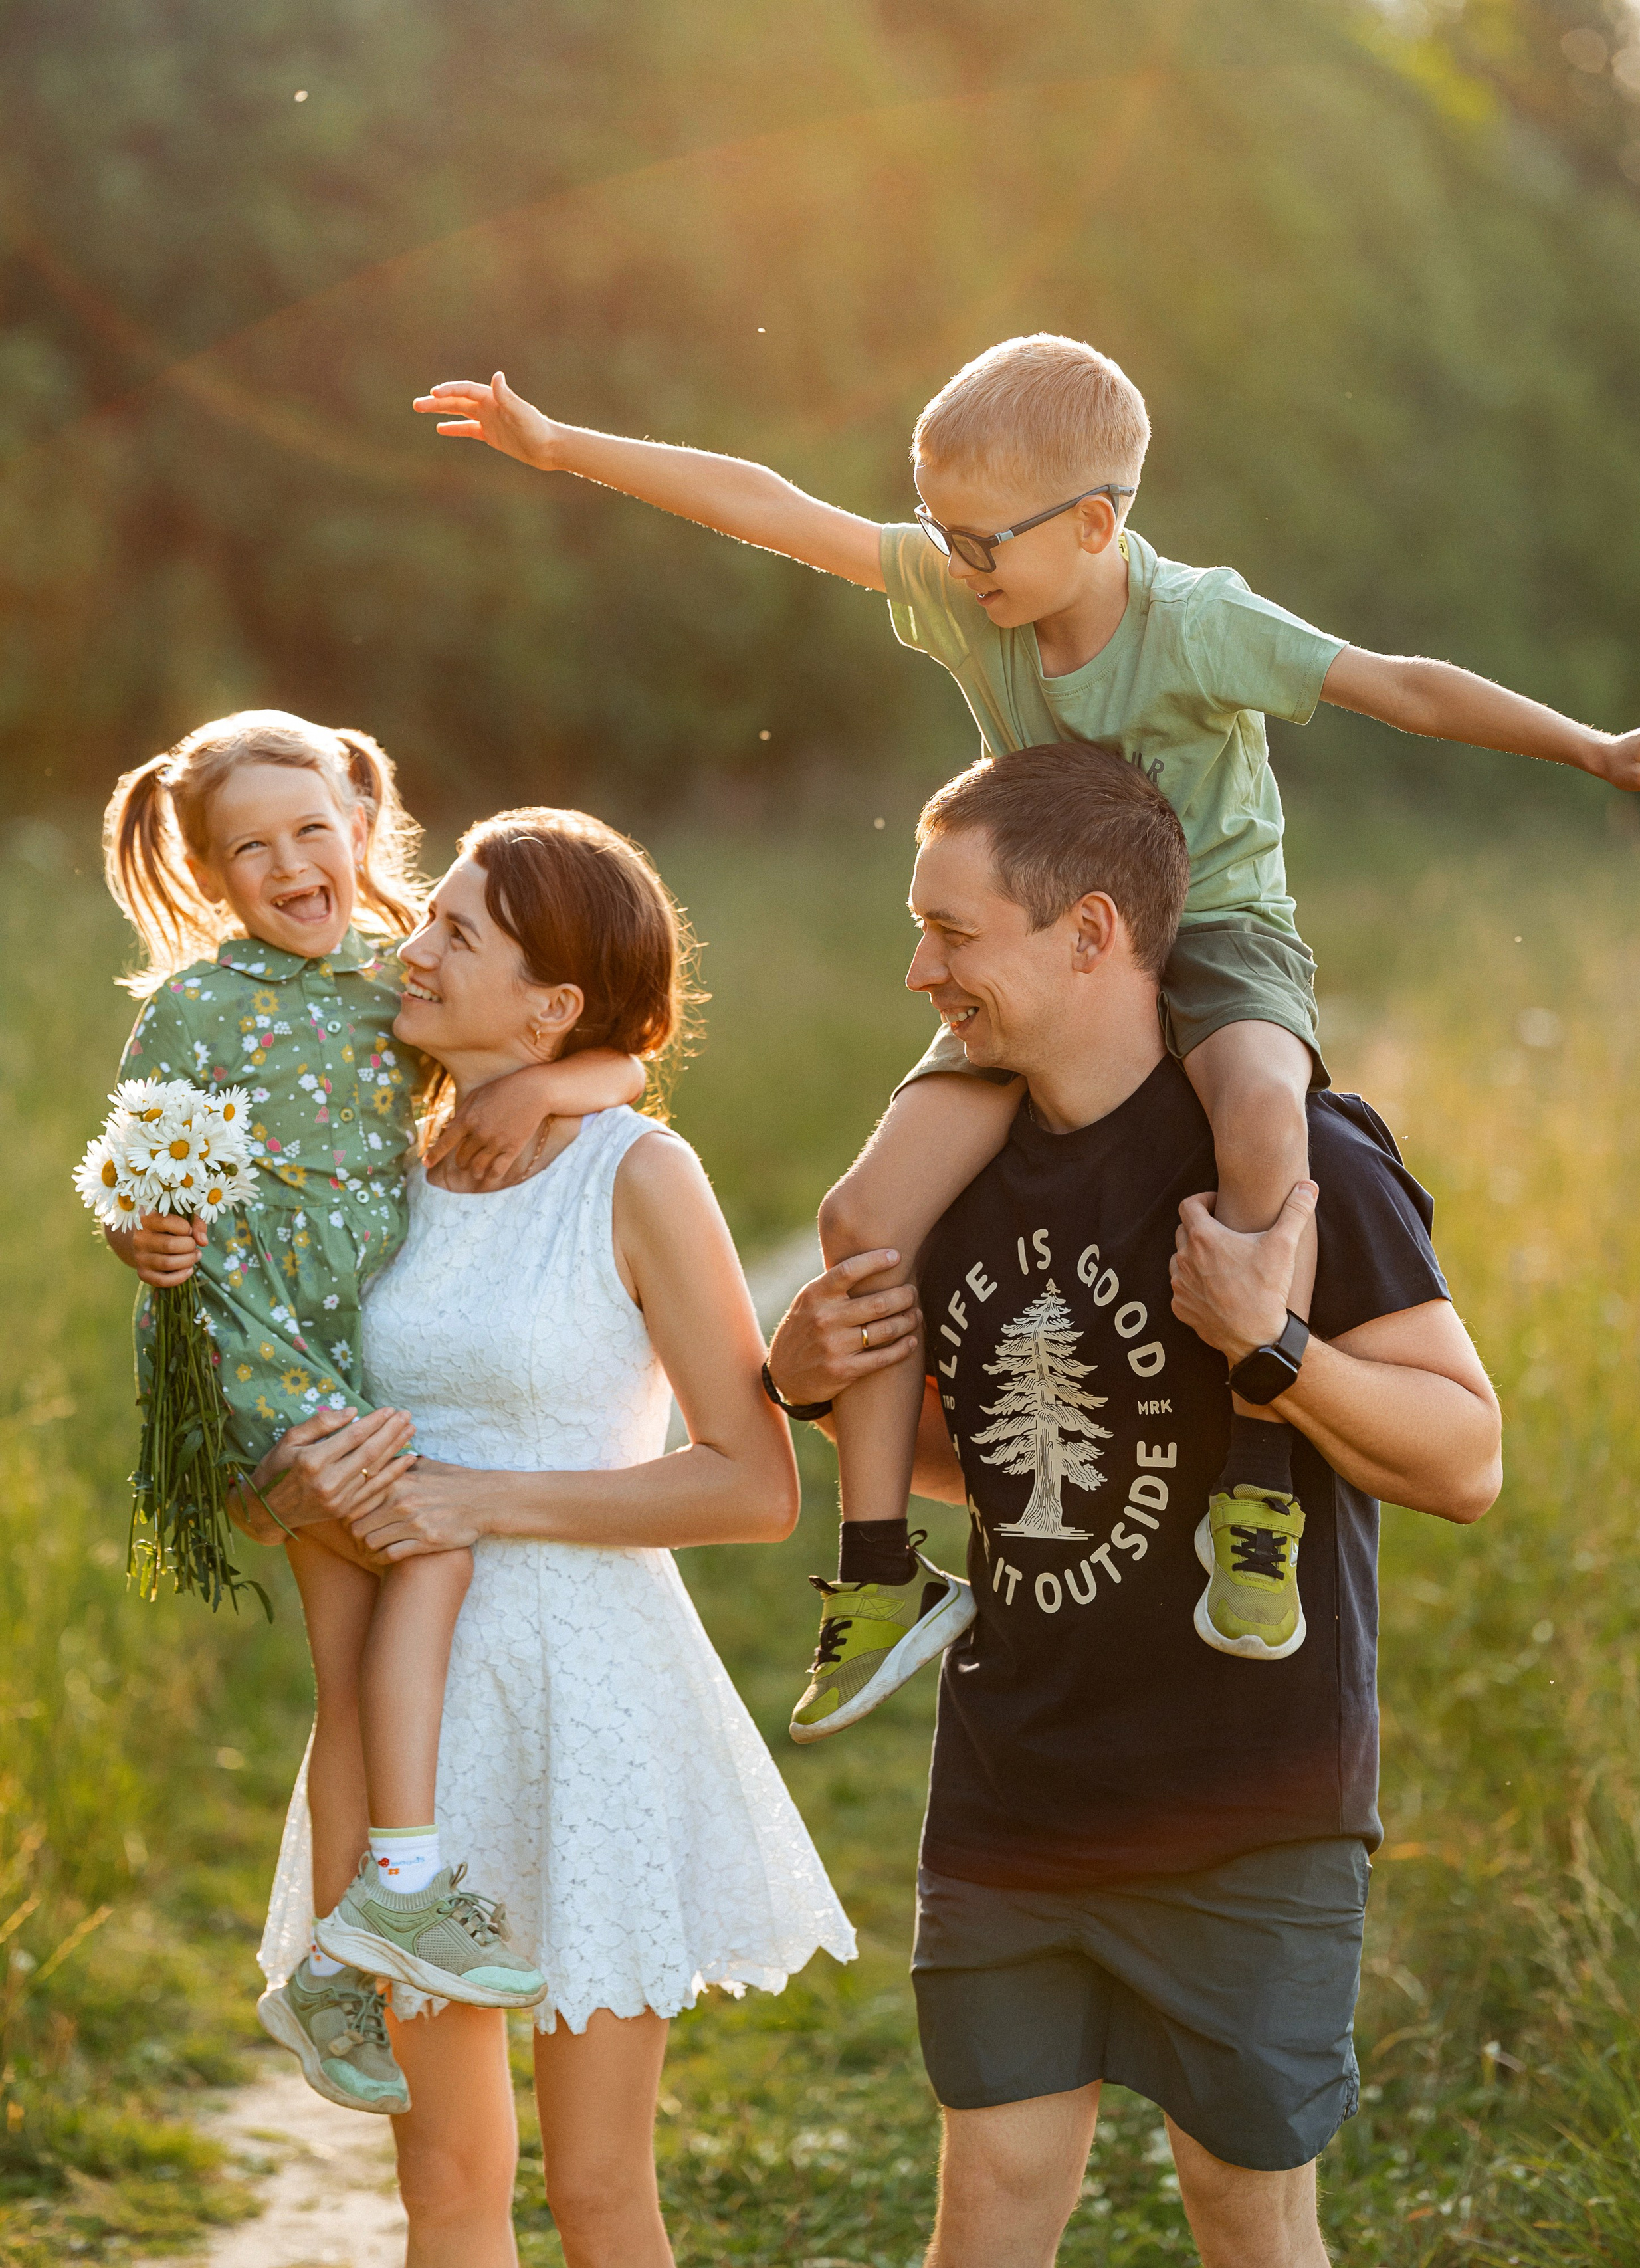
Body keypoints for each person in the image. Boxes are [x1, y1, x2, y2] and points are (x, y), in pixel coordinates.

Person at [413, 339, 1640, 1738]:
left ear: (1095, 524)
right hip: (1035, 946)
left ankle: (1253, 1498)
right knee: (862, 1214)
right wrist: (559, 446)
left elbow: (1399, 684)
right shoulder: (971, 596)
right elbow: (766, 504)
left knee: (1263, 1118)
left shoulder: (1198, 623)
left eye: (979, 542)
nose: (953, 569)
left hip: (1212, 930)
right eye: (938, 533)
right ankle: (883, 1567)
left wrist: (1585, 746)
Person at [764, 743, 1502, 2268]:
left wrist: (1273, 1346)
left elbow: (1462, 1458)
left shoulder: (1300, 1172)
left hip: (1244, 1808)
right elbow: (999, 1465)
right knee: (985, 2221)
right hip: (1009, 1794)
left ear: (1089, 932)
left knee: (1244, 2224)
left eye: (954, 934)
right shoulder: (951, 1183)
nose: (918, 971)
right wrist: (807, 1381)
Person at [243, 805, 855, 2268]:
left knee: (596, 2190)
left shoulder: (636, 1175)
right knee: (447, 2191)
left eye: (457, 930)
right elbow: (275, 1450)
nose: (415, 941)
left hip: (592, 1705)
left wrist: (480, 1498)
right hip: (416, 1719)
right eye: (428, 912)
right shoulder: (370, 1164)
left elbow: (751, 1485)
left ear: (554, 1005)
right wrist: (296, 1485)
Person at [100, 715, 647, 2112]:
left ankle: (338, 1972)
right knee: (436, 1549)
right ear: (208, 876)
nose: (289, 862)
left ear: (359, 823)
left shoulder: (388, 982)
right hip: (262, 1357)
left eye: (310, 830)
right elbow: (138, 1182)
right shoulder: (196, 1010)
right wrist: (145, 1243)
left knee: (347, 1683)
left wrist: (573, 1079)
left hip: (365, 1365)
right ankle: (397, 1890)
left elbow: (595, 1056)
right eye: (250, 848)